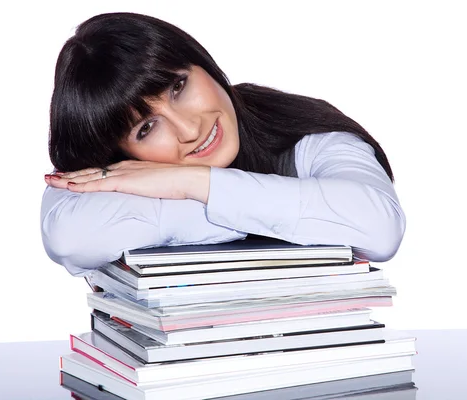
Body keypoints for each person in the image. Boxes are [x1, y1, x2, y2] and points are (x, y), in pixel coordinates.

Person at [41, 12, 406, 277]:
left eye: (179, 88)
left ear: (202, 64)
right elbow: (71, 239)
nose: (189, 129)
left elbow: (379, 228)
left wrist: (193, 183)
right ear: (122, 152)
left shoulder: (302, 131)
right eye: (147, 127)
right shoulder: (108, 175)